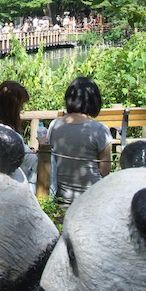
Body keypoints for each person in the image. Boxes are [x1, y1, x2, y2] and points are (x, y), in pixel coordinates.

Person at [48, 77, 112, 205]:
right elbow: (105, 171)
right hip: (92, 197)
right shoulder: (100, 130)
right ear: (94, 101)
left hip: (61, 197)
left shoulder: (54, 125)